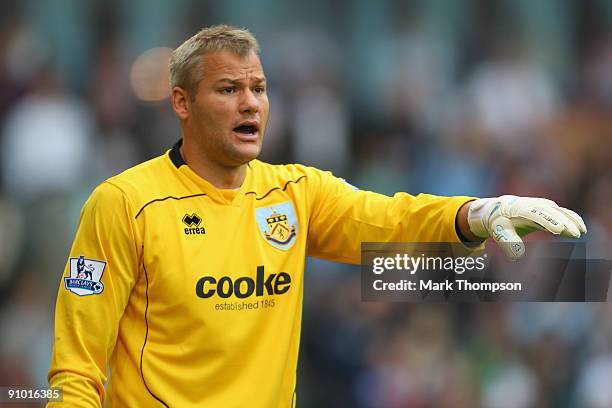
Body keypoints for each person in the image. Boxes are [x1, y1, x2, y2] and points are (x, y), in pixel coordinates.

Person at [47, 25, 586, 407]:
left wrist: (477, 212)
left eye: (258, 88)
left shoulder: (295, 193)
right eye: (229, 90)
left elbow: (390, 217)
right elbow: (76, 367)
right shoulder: (124, 203)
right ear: (182, 103)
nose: (251, 104)